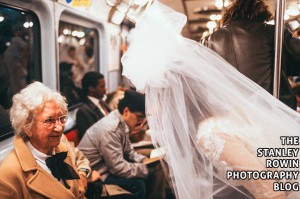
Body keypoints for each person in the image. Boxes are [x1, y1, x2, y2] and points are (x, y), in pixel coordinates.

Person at [120, 1, 300, 199]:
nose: (152, 111)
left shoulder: (212, 135)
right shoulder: (217, 123)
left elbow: (272, 193)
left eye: (156, 98)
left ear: (177, 94)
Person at [205, 0, 300, 110]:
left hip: (231, 112)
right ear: (261, 14)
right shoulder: (273, 33)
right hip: (274, 110)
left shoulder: (208, 41)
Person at [0, 81, 85, 198]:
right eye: (49, 121)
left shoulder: (62, 149)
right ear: (27, 127)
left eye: (61, 118)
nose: (59, 127)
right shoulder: (8, 174)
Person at [78, 90, 161, 199]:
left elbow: (129, 152)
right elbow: (118, 168)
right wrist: (146, 169)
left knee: (152, 172)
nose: (141, 122)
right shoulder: (110, 129)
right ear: (126, 111)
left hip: (106, 166)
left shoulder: (121, 122)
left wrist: (145, 161)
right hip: (97, 172)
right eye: (139, 117)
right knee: (138, 184)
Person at [76, 71, 111, 139]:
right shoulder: (83, 111)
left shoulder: (102, 102)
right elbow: (92, 138)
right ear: (91, 89)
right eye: (102, 87)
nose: (105, 90)